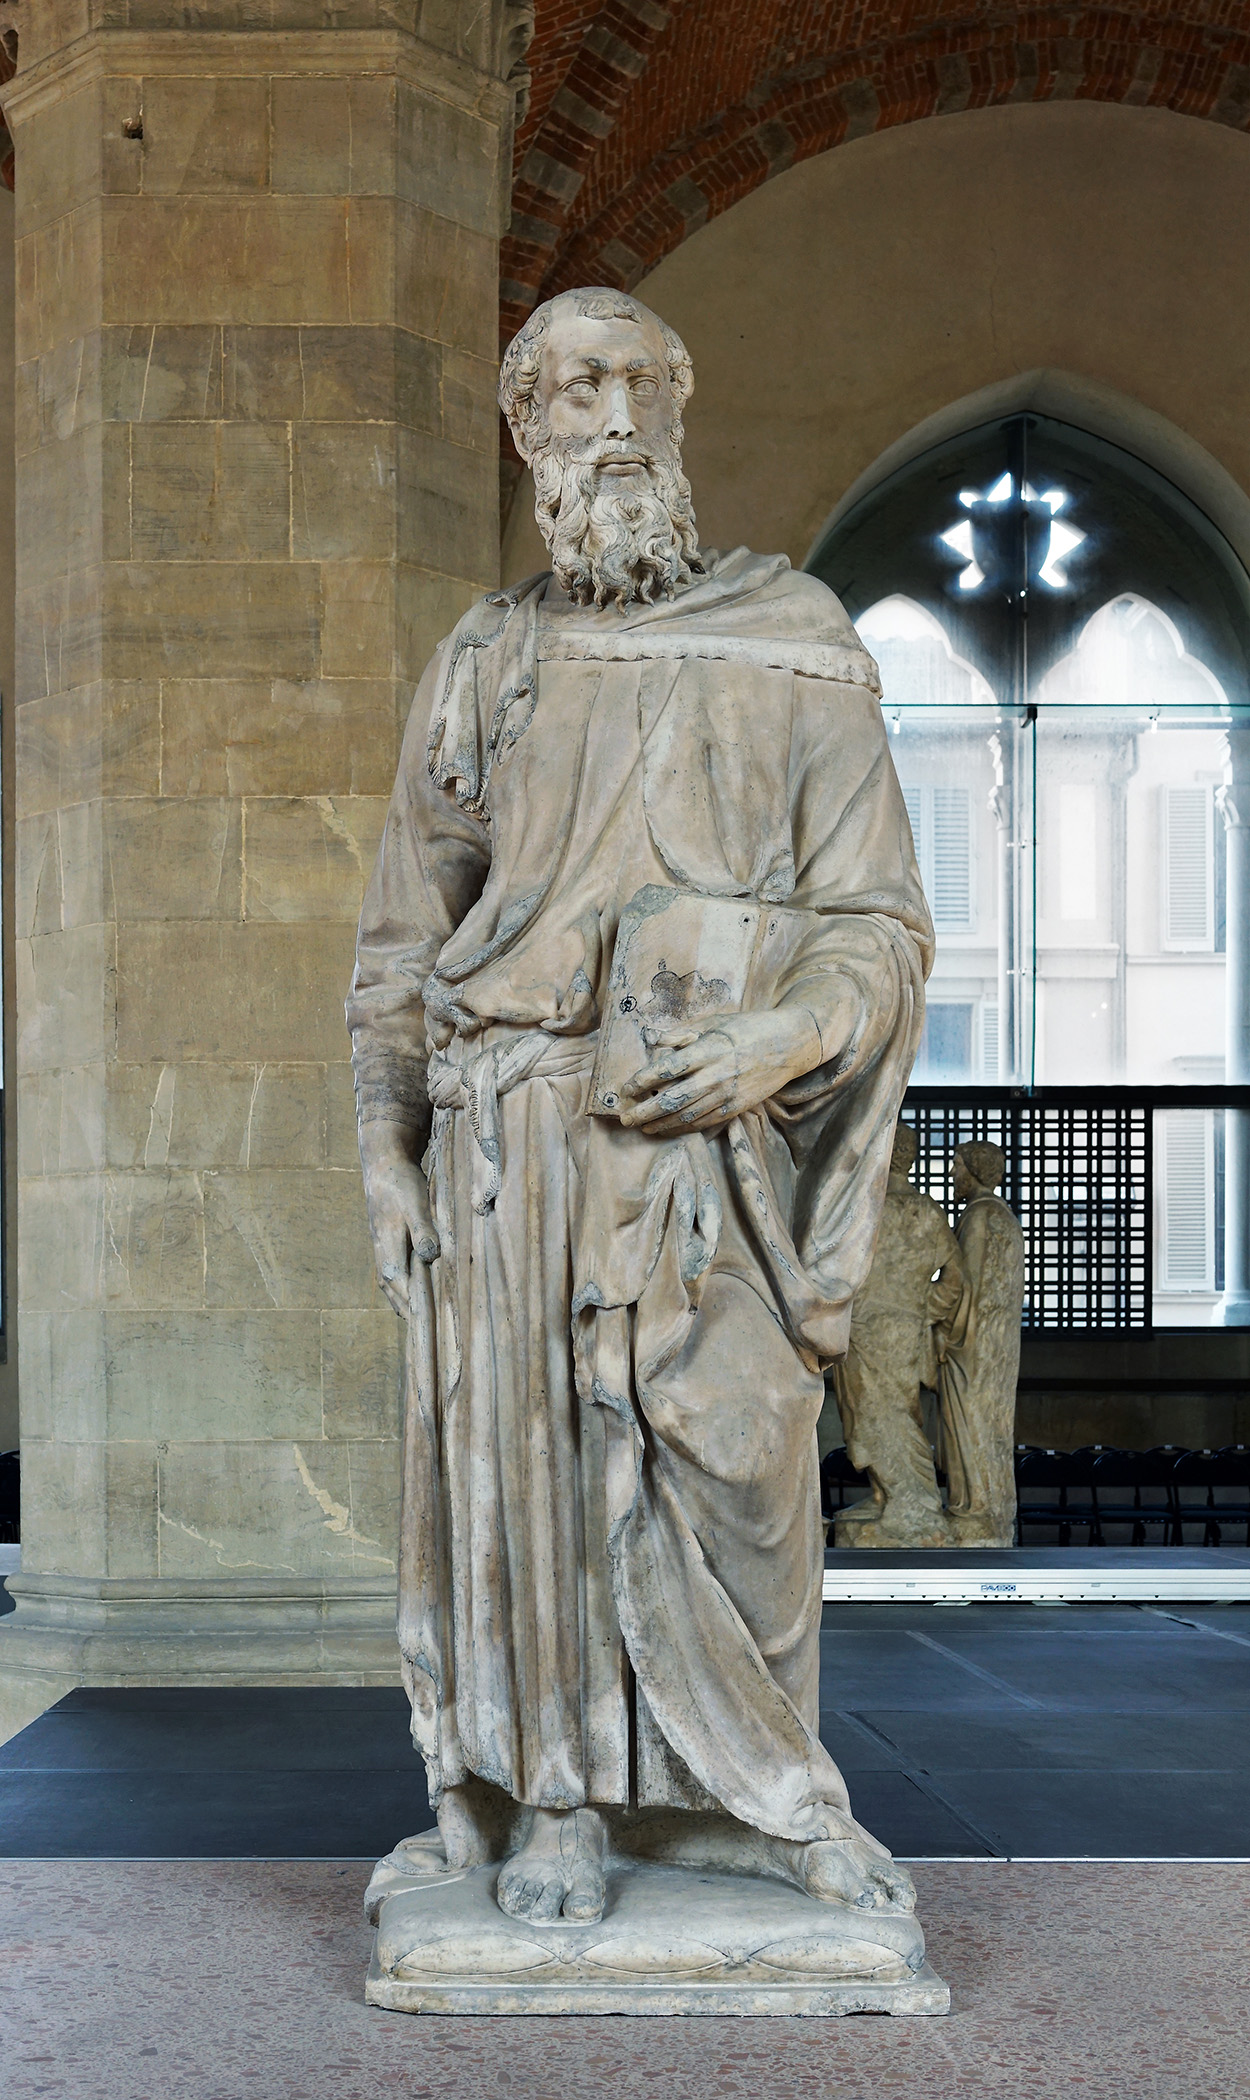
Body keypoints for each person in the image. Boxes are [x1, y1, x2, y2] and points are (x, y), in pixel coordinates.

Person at [347, 286, 932, 1928]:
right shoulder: (487, 660)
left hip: (723, 1148)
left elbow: (878, 922)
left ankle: (773, 1801)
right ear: (523, 434)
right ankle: (556, 1803)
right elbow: (399, 947)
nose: (606, 415)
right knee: (534, 1477)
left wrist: (779, 1043)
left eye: (632, 382)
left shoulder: (796, 638)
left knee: (743, 1463)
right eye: (566, 389)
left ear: (679, 406)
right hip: (517, 1137)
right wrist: (384, 1152)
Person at [832, 1123, 964, 1547]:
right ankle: (885, 1495)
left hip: (867, 1328)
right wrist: (924, 1309)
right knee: (893, 1414)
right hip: (902, 1329)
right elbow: (955, 1278)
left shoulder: (863, 1209)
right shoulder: (927, 1211)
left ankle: (914, 1506)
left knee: (872, 1415)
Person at [939, 1140, 1024, 1548]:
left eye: (957, 1165)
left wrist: (942, 1332)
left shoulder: (977, 1216)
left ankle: (973, 1509)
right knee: (991, 1425)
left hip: (970, 1344)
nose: (952, 1173)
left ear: (973, 1169)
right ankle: (995, 1507)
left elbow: (965, 1284)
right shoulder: (1005, 1217)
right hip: (998, 1344)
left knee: (967, 1425)